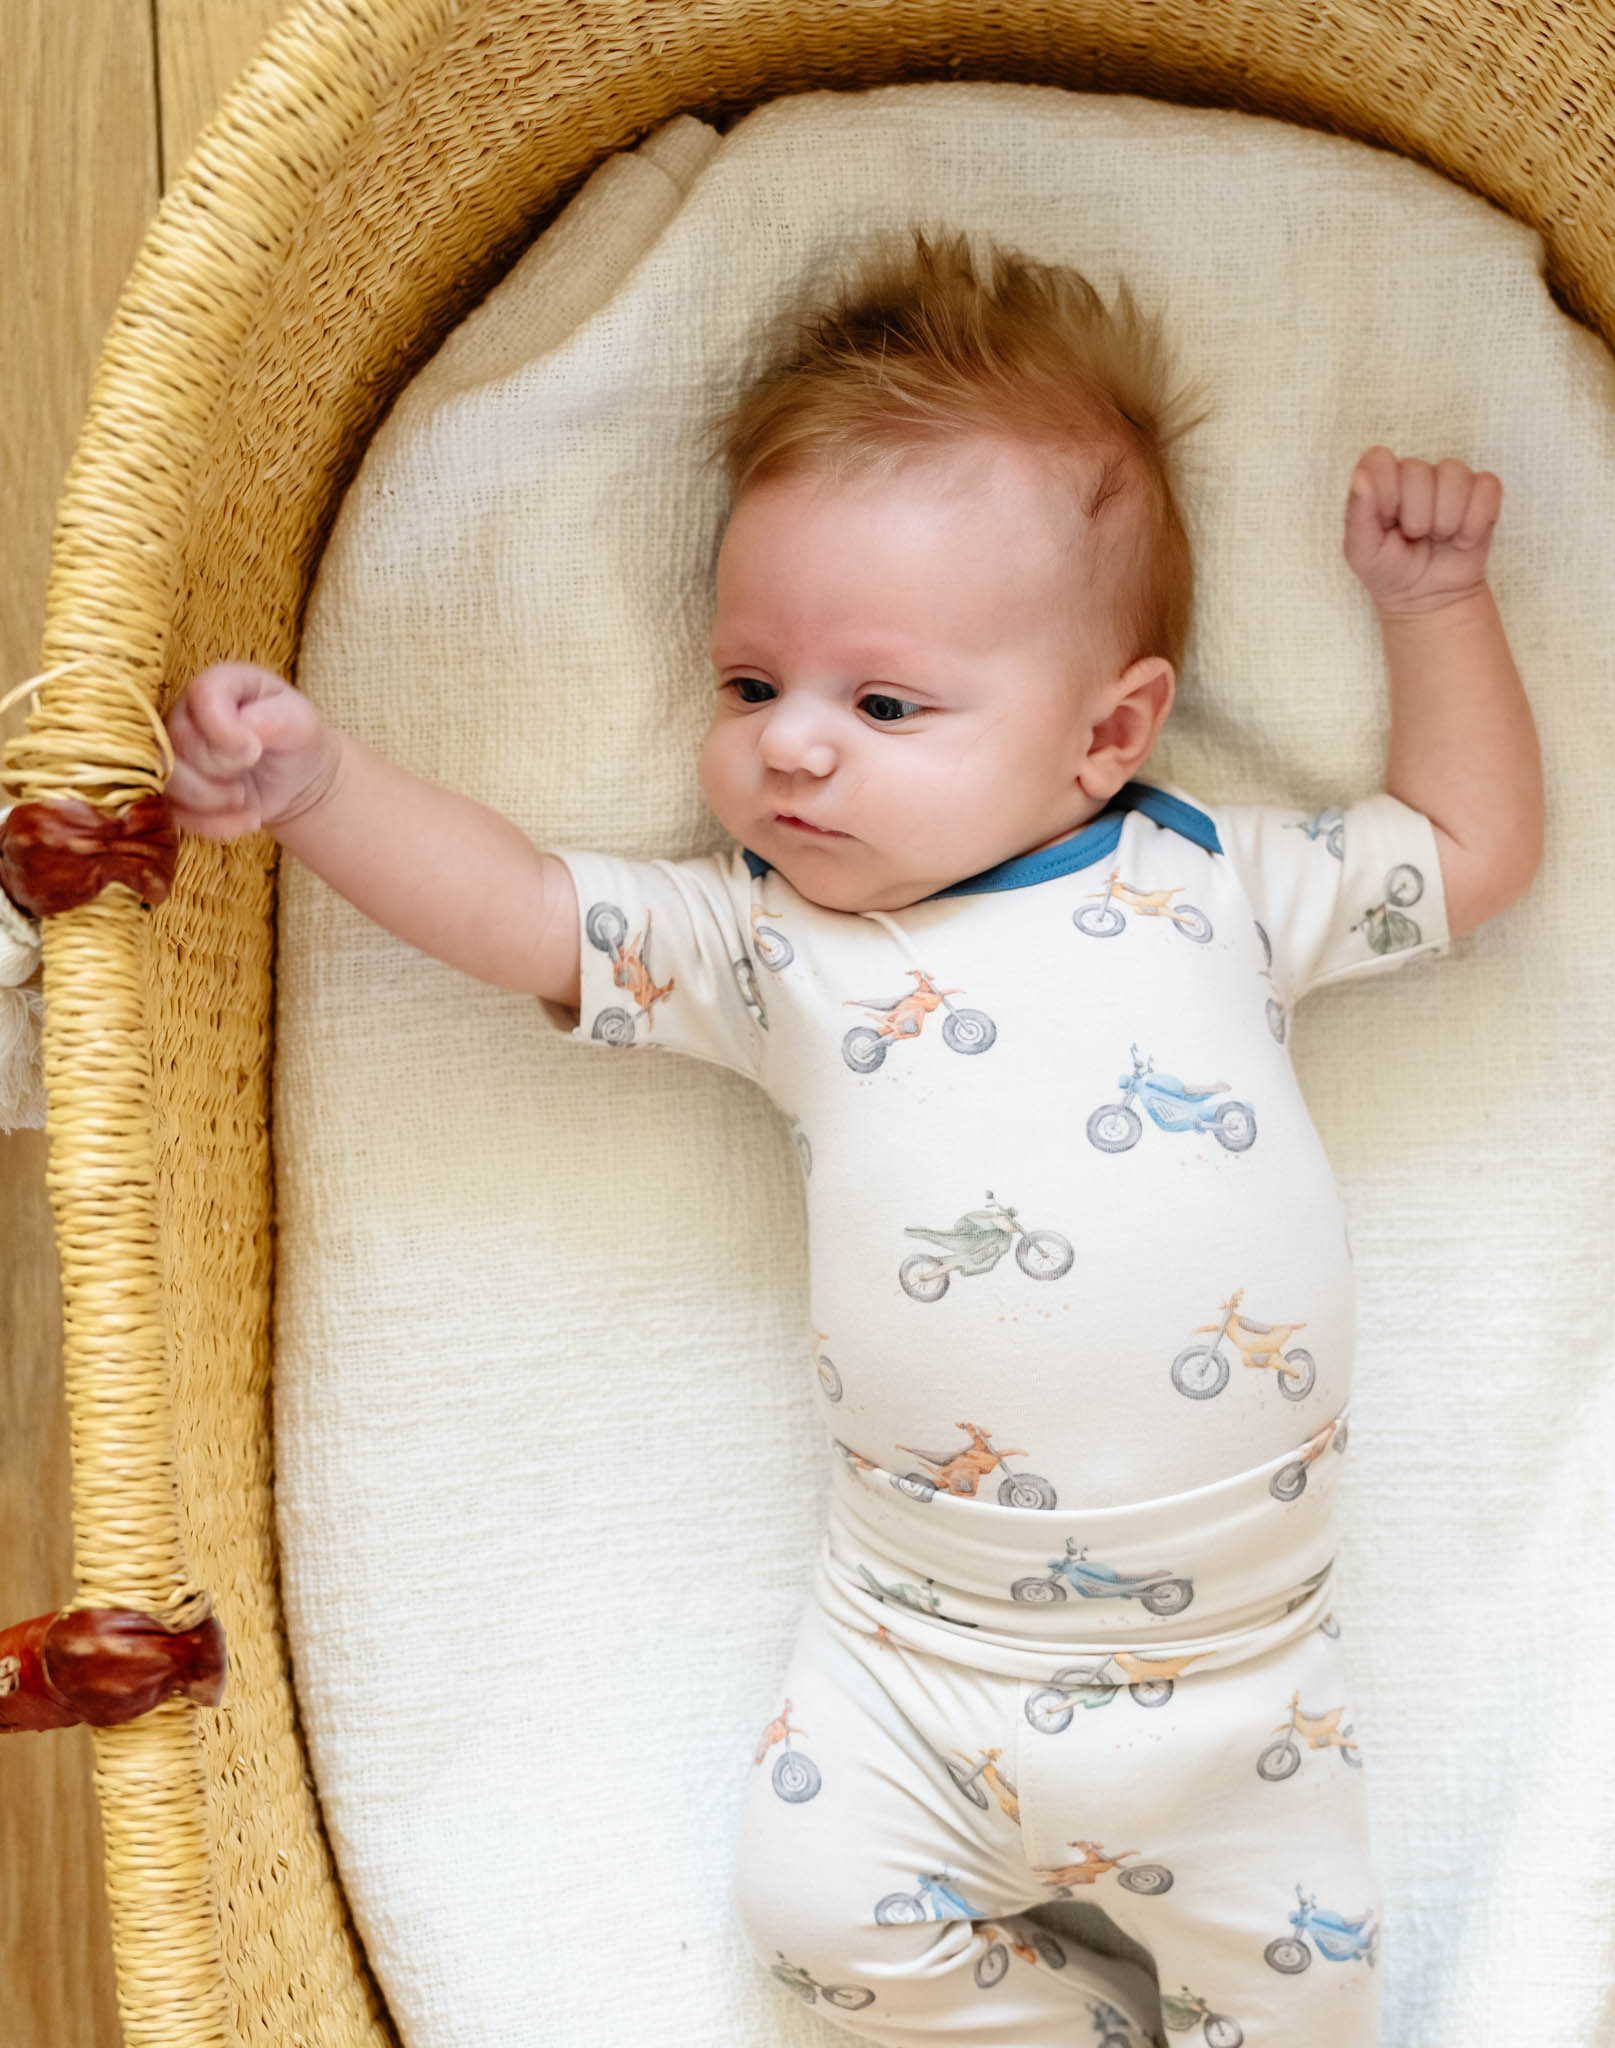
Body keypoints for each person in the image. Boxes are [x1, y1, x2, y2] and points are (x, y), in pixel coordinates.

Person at [166, 225, 1541, 2047]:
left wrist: (1435, 611)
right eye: (752, 687)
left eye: (882, 705)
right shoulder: (773, 948)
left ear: (1109, 732)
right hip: (913, 1665)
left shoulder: (1214, 882)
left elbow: (1466, 850)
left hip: (1238, 1687)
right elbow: (524, 908)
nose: (792, 749)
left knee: (1311, 1984)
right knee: (815, 1925)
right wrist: (324, 789)